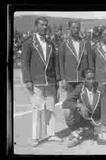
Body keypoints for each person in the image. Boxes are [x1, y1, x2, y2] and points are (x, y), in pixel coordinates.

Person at [21, 17, 62, 147]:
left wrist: (57, 81)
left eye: (46, 25)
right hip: (36, 81)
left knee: (50, 108)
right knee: (37, 109)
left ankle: (51, 134)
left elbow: (55, 64)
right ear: (36, 26)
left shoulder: (50, 43)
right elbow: (24, 63)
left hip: (50, 81)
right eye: (42, 25)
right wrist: (27, 80)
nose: (45, 27)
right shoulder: (28, 43)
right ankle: (35, 137)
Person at [62, 68, 106, 147]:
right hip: (84, 117)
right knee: (67, 111)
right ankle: (76, 134)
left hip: (97, 118)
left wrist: (103, 125)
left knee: (104, 140)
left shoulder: (101, 87)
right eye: (89, 79)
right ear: (83, 80)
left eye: (93, 78)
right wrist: (79, 105)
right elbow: (65, 103)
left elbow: (104, 108)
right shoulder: (80, 88)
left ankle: (93, 130)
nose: (91, 81)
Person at [58, 20, 93, 97]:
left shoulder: (85, 43)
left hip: (83, 79)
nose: (76, 30)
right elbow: (61, 62)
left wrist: (90, 78)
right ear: (69, 29)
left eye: (77, 28)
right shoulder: (64, 44)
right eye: (73, 28)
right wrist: (63, 79)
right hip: (70, 79)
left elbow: (90, 61)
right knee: (71, 102)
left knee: (84, 102)